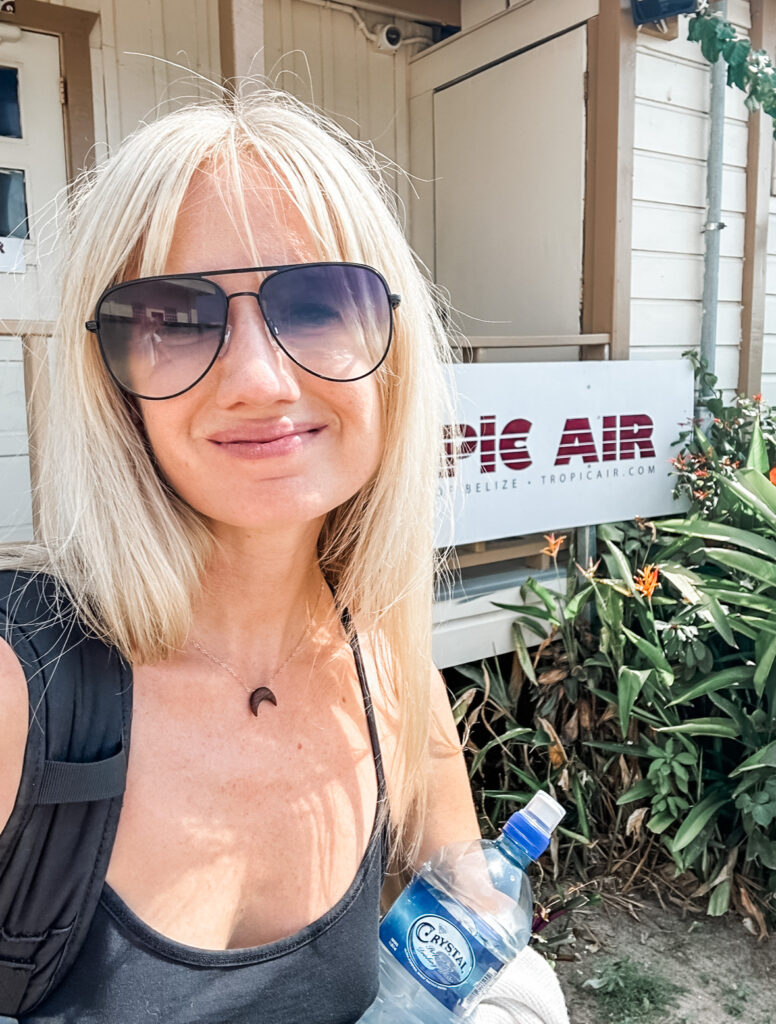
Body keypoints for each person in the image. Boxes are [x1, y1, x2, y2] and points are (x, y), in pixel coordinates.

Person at [0, 87, 569, 1023]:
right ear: (112, 379)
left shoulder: (392, 674)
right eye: (174, 318)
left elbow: (473, 948)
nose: (260, 380)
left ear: (392, 352)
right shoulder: (19, 690)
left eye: (315, 307)